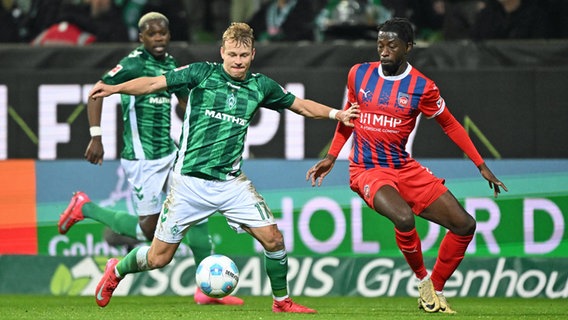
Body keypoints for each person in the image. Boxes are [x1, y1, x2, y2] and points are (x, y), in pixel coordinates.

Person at [88, 22, 359, 313]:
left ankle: (282, 301)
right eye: (232, 55)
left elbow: (301, 105)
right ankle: (116, 271)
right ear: (222, 53)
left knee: (274, 239)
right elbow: (153, 83)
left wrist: (337, 114)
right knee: (158, 258)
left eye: (243, 55)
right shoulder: (201, 73)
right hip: (189, 184)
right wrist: (115, 88)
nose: (238, 61)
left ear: (253, 54)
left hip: (231, 184)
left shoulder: (260, 86)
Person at [306, 17, 507, 314]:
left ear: (408, 48)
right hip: (367, 169)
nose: (384, 51)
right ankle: (422, 280)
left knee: (465, 225)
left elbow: (450, 124)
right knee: (403, 218)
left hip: (404, 167)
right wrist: (333, 157)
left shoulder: (422, 87)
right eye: (380, 45)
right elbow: (349, 119)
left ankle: (435, 289)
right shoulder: (358, 74)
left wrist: (480, 164)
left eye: (392, 45)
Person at [57, 12, 243, 306]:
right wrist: (96, 135)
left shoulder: (169, 64)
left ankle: (203, 290)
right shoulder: (132, 64)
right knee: (149, 231)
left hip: (170, 152)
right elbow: (97, 92)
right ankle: (86, 208)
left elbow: (186, 102)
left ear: (169, 35)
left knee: (196, 206)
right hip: (142, 158)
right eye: (152, 34)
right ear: (141, 37)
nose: (159, 39)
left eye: (163, 33)